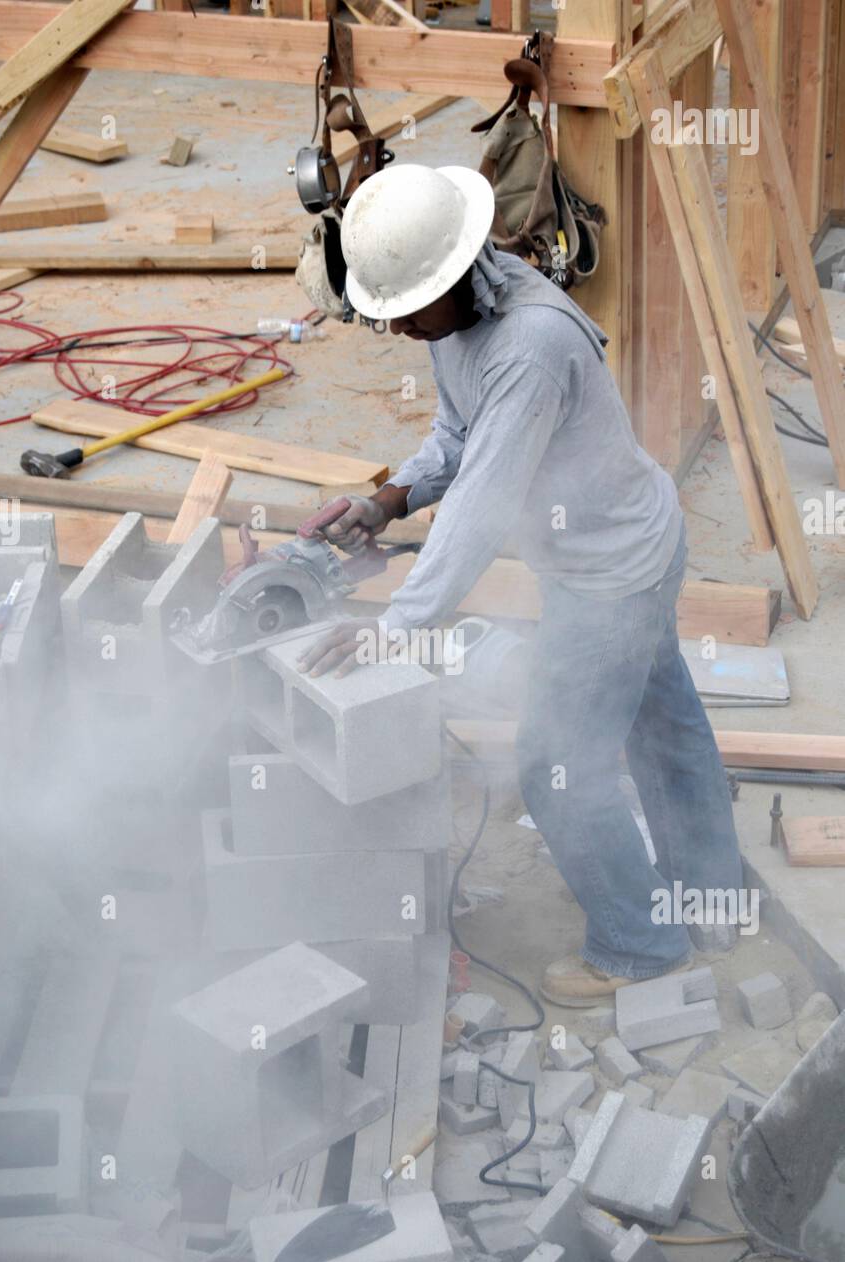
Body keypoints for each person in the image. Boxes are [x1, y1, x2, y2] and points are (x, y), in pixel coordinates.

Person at [298, 162, 743, 1005]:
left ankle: (642, 948)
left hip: (611, 573)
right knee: (663, 717)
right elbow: (459, 432)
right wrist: (389, 499)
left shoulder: (530, 347)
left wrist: (396, 624)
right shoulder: (463, 312)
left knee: (553, 762)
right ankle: (709, 893)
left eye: (404, 312)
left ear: (455, 273)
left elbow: (485, 505)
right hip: (630, 545)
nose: (395, 331)